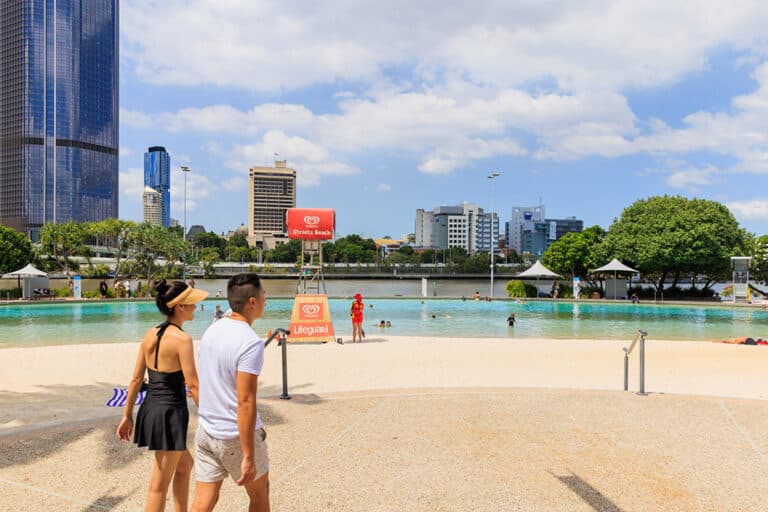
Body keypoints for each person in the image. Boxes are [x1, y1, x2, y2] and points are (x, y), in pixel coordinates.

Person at [116, 279, 208, 512]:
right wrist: (210, 415)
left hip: (151, 409)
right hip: (170, 413)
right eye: (192, 303)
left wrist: (127, 415)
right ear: (180, 307)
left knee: (185, 465)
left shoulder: (150, 334)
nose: (196, 307)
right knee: (158, 486)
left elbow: (136, 379)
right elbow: (193, 384)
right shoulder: (182, 339)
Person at [192, 273, 270, 511]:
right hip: (232, 434)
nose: (266, 297)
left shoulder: (213, 330)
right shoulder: (250, 342)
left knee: (204, 501)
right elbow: (245, 401)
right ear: (253, 302)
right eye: (263, 293)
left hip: (206, 430)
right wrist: (248, 455)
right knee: (259, 496)